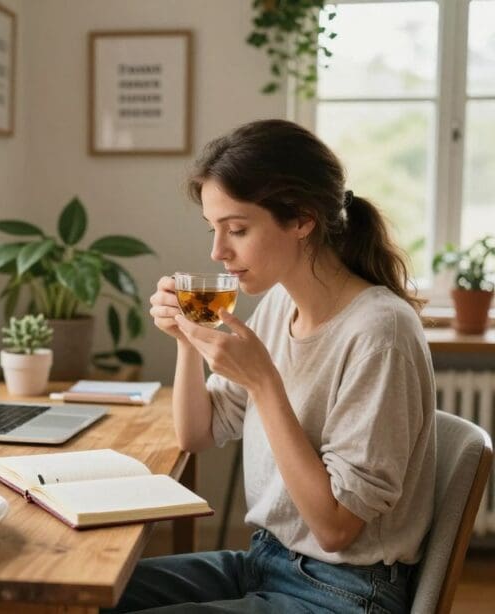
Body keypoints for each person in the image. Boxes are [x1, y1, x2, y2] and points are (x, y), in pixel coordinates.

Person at [109, 120, 436, 613]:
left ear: (302, 219)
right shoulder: (281, 305)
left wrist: (265, 383)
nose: (217, 251)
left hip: (342, 590)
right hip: (267, 560)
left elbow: (335, 528)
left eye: (237, 230)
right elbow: (197, 433)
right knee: (90, 593)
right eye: (214, 229)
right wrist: (185, 339)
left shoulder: (380, 333)